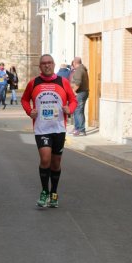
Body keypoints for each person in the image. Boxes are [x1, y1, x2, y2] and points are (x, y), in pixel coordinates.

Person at [21, 54, 77, 208]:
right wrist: (29, 111)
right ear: (40, 66)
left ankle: (54, 193)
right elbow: (24, 99)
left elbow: (73, 100)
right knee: (45, 159)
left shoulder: (63, 82)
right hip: (42, 128)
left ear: (53, 64)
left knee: (56, 162)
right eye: (44, 63)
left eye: (49, 63)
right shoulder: (33, 83)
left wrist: (69, 109)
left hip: (58, 128)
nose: (47, 65)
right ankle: (44, 191)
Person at [71, 57, 89, 136]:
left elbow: (77, 83)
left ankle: (81, 130)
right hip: (83, 92)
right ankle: (77, 128)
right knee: (77, 110)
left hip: (80, 93)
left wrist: (72, 91)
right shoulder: (83, 69)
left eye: (73, 64)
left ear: (75, 63)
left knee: (78, 111)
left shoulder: (79, 70)